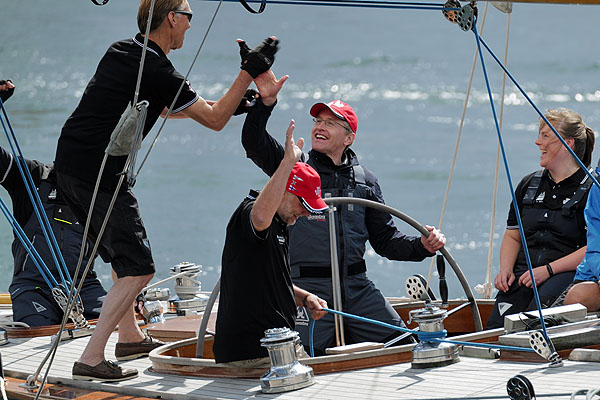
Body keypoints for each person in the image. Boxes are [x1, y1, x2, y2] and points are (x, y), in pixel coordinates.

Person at [56, 0, 279, 382]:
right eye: (188, 17)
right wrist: (249, 72)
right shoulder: (157, 68)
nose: (192, 26)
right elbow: (213, 120)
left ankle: (128, 337)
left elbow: (162, 108)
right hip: (99, 173)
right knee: (139, 269)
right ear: (172, 18)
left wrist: (234, 104)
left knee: (119, 259)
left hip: (71, 165)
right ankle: (92, 357)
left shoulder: (124, 51)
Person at [241, 72, 446, 355]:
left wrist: (422, 246)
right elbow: (253, 143)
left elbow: (385, 240)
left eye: (330, 123)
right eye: (317, 121)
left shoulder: (366, 181)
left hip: (358, 288)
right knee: (297, 357)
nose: (319, 127)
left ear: (349, 137)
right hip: (307, 291)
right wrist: (265, 103)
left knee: (407, 346)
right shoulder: (292, 167)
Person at [214, 120, 328, 365]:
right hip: (252, 354)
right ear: (285, 191)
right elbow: (259, 216)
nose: (306, 214)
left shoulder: (282, 223)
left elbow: (273, 284)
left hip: (281, 347)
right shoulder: (252, 214)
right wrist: (287, 163)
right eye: (303, 205)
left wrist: (306, 297)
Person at [0, 81, 106, 327]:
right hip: (33, 288)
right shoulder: (32, 177)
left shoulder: (102, 193)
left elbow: (124, 253)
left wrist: (135, 297)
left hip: (84, 286)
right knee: (39, 330)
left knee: (116, 324)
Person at [487, 108, 595, 329]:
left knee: (531, 327)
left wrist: (548, 270)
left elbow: (594, 246)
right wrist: (505, 269)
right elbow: (513, 235)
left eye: (546, 136)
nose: (538, 142)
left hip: (564, 275)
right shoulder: (528, 185)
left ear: (568, 143)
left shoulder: (593, 189)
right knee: (496, 329)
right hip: (522, 275)